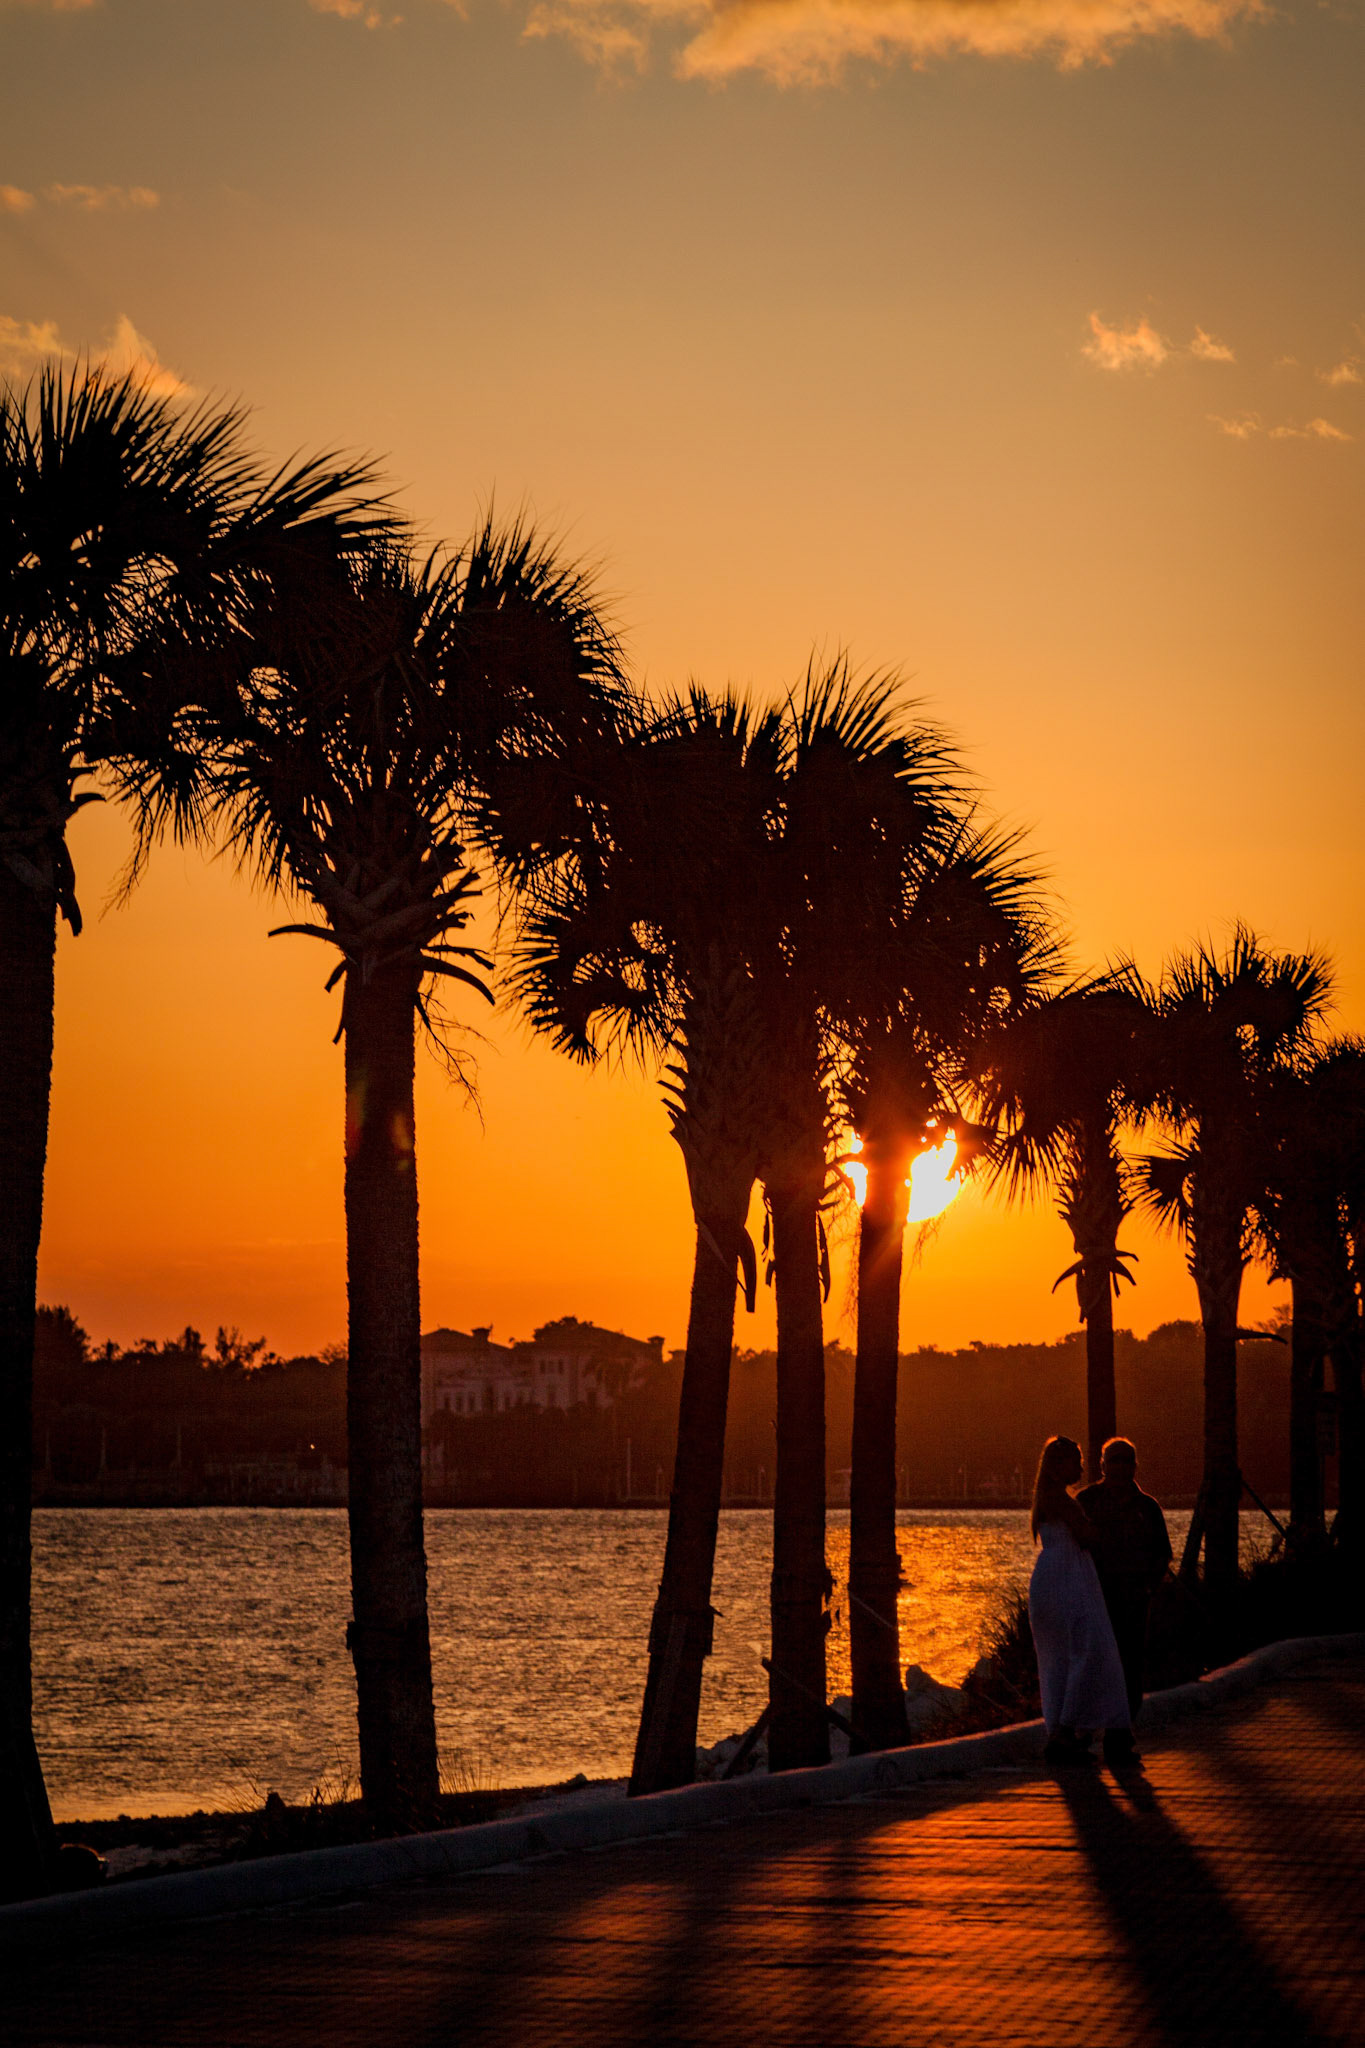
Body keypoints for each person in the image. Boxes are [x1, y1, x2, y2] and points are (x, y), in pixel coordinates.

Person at [1027, 1434, 1132, 1767]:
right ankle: (1067, 1729)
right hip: (1065, 1579)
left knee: (1061, 1658)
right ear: (1060, 1463)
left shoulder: (1050, 1498)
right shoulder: (1059, 1499)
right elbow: (1086, 1535)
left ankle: (1066, 1730)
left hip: (1057, 1575)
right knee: (1088, 1649)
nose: (1082, 1467)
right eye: (1077, 1460)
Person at [1077, 1436, 1172, 1753]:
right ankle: (1086, 1729)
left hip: (1132, 1600)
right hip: (1094, 1598)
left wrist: (1147, 1587)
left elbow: (1162, 1554)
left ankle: (1120, 1731)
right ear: (1102, 1465)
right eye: (1113, 1460)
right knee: (1091, 1664)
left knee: (1128, 1666)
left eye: (1125, 1461)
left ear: (1135, 1466)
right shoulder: (1087, 1501)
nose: (1119, 1467)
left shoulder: (1147, 1507)